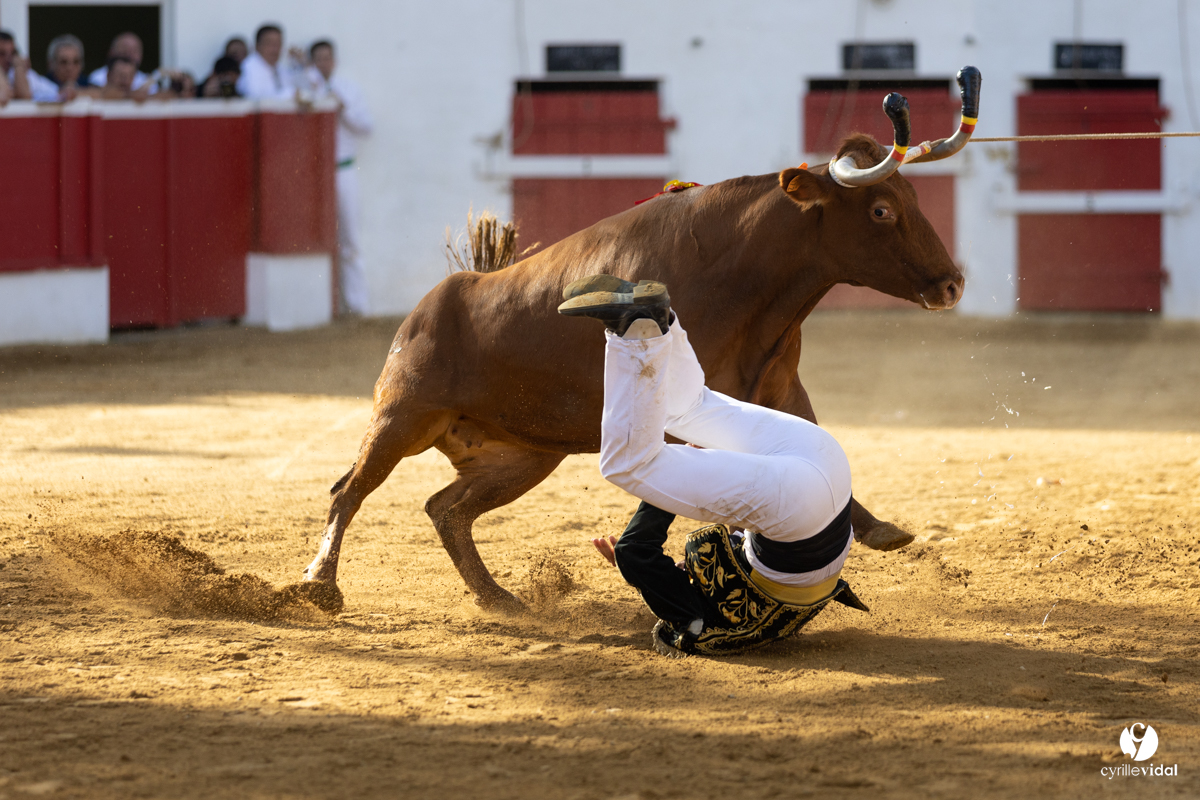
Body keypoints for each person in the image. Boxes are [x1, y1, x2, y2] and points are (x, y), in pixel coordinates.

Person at [558, 276, 868, 657]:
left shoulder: (753, 612)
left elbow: (682, 565)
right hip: (799, 509)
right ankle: (635, 334)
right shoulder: (701, 627)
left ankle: (660, 320)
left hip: (827, 467)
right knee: (627, 465)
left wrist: (644, 564)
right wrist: (633, 557)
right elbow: (639, 552)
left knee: (688, 410)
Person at [306, 40, 373, 315]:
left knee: (350, 237)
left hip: (343, 168)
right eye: (318, 58)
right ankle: (318, 307)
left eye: (327, 57)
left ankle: (357, 307)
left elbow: (367, 126)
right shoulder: (304, 87)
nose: (324, 63)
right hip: (312, 173)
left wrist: (342, 106)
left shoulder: (348, 89)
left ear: (333, 60)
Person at [236, 24, 302, 100]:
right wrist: (290, 94)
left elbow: (301, 90)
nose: (275, 49)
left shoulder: (280, 68)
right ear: (257, 46)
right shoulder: (248, 67)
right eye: (269, 44)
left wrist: (299, 64)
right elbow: (256, 98)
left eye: (278, 44)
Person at [87, 32, 153, 93]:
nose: (129, 55)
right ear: (108, 75)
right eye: (124, 49)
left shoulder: (148, 81)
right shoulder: (96, 77)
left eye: (134, 51)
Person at [29, 34, 87, 102]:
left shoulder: (85, 82)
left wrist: (75, 92)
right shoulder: (41, 83)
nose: (70, 68)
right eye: (63, 62)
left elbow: (100, 93)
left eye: (76, 62)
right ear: (51, 64)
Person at [0, 30, 33, 101]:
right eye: (2, 53)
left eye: (12, 53)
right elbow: (3, 96)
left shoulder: (15, 72)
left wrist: (19, 67)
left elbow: (25, 98)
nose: (8, 59)